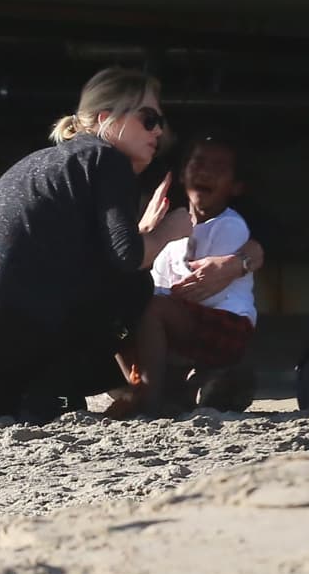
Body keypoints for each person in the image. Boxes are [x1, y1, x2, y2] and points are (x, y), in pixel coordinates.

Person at [0, 68, 269, 425]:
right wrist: (168, 231)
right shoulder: (106, 160)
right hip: (0, 318)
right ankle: (55, 397)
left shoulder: (46, 160)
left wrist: (143, 233)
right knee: (133, 294)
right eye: (148, 119)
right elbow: (127, 261)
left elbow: (90, 264)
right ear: (107, 119)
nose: (159, 131)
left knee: (4, 381)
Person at [110, 130, 257, 417]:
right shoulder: (172, 225)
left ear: (236, 186)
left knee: (151, 308)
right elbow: (155, 282)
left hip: (226, 324)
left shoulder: (229, 225)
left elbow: (195, 291)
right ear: (181, 175)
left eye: (219, 167)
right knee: (118, 308)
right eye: (198, 162)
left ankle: (148, 399)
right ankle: (146, 385)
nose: (206, 172)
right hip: (182, 322)